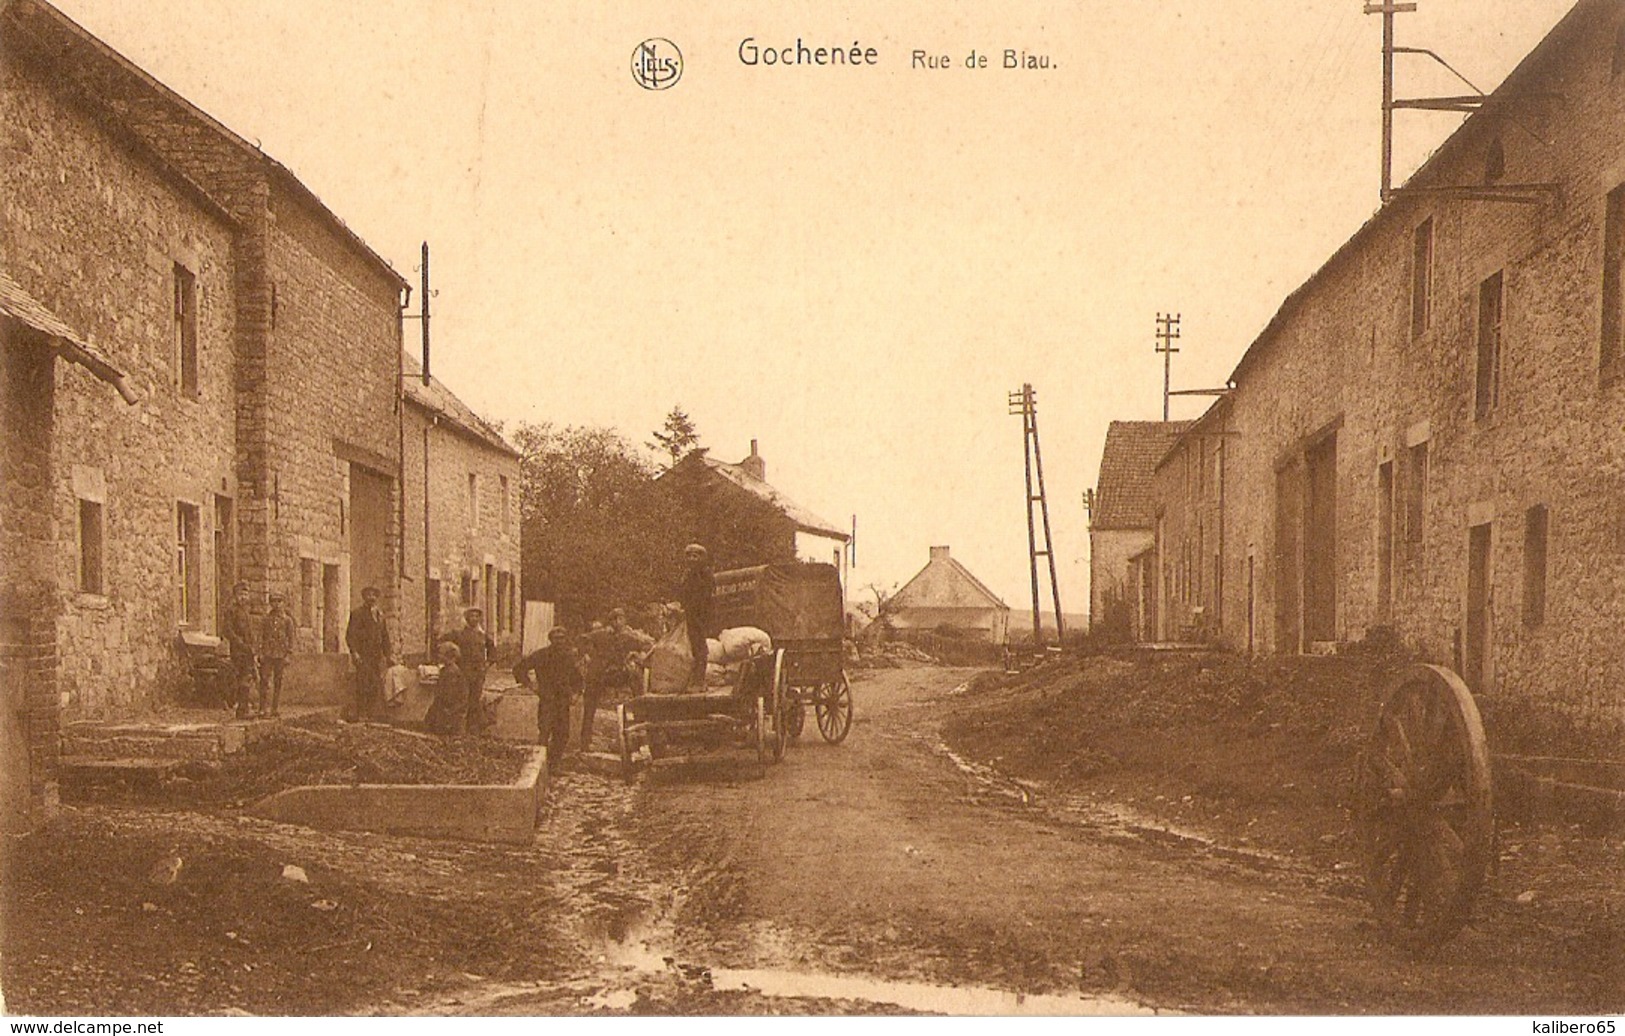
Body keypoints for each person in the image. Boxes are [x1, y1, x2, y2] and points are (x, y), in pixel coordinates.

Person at [581, 608, 652, 750]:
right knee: (590, 704)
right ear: (611, 621)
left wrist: (637, 655)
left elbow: (647, 646)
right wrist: (589, 655)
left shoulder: (629, 636)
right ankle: (585, 741)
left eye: (621, 619)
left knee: (637, 693)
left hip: (620, 673)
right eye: (615, 619)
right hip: (601, 674)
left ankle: (642, 738)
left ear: (624, 621)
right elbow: (582, 640)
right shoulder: (600, 635)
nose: (618, 622)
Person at [514, 626, 581, 764]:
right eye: (557, 638)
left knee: (562, 734)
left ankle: (554, 764)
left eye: (562, 638)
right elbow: (519, 669)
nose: (560, 641)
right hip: (547, 698)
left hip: (563, 699)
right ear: (551, 639)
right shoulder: (541, 655)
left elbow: (577, 678)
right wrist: (531, 685)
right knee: (545, 731)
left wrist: (576, 694)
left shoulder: (568, 656)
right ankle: (540, 765)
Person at [438, 607, 494, 735]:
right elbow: (442, 640)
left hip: (478, 673)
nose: (474, 619)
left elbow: (492, 650)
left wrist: (488, 663)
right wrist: (450, 656)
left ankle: (473, 728)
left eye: (476, 616)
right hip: (463, 672)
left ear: (479, 619)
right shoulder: (459, 634)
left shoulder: (483, 636)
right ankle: (460, 729)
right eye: (471, 616)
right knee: (462, 700)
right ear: (467, 619)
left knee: (475, 699)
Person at [344, 586, 392, 722]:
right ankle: (361, 713)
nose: (371, 598)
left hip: (376, 656)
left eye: (374, 595)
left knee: (374, 684)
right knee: (362, 683)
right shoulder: (357, 614)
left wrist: (388, 655)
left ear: (377, 598)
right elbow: (350, 635)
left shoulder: (380, 615)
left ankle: (371, 713)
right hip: (363, 655)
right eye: (368, 595)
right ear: (364, 597)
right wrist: (354, 652)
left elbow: (385, 636)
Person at [678, 543, 715, 691]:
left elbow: (707, 598)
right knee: (689, 648)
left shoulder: (706, 575)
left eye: (696, 556)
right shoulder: (686, 576)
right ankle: (688, 680)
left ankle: (698, 681)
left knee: (699, 649)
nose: (692, 559)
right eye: (689, 556)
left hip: (700, 616)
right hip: (689, 616)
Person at [221, 582, 258, 719]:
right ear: (235, 596)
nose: (243, 597)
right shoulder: (231, 610)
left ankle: (244, 708)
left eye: (245, 594)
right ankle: (241, 709)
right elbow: (227, 630)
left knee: (247, 677)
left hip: (247, 649)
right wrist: (239, 643)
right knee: (242, 677)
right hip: (238, 650)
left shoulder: (245, 611)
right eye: (241, 594)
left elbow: (249, 632)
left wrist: (252, 646)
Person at [258, 593, 296, 717]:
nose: (277, 604)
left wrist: (288, 655)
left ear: (283, 603)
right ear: (270, 604)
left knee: (278, 682)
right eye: (274, 601)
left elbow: (291, 639)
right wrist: (260, 653)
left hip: (281, 654)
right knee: (264, 680)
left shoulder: (287, 620)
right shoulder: (266, 619)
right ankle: (263, 707)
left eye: (279, 601)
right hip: (268, 654)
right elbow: (261, 637)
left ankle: (275, 708)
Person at [424, 641, 467, 737]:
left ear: (449, 656)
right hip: (448, 707)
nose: (439, 656)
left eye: (441, 654)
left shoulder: (451, 672)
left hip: (452, 711)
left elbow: (448, 696)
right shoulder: (447, 670)